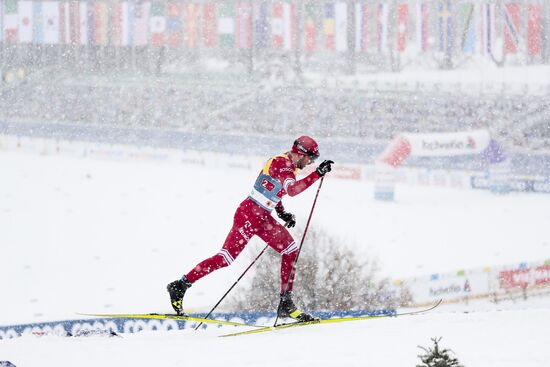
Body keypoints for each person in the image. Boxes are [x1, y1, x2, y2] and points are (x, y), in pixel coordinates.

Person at [167, 136, 334, 322]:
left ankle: (286, 302)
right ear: (302, 153)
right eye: (311, 158)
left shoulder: (288, 165)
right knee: (225, 258)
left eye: (315, 161)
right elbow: (292, 190)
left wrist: (281, 212)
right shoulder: (282, 163)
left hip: (262, 217)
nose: (311, 162)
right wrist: (317, 173)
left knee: (290, 250)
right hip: (248, 215)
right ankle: (180, 285)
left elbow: (273, 189)